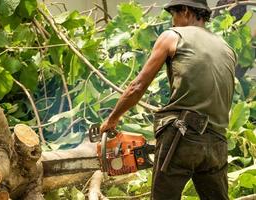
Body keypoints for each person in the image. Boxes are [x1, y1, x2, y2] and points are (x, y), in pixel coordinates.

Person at [100, 0, 237, 199]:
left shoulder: (172, 36)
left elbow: (137, 87)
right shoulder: (226, 47)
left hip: (183, 135)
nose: (172, 23)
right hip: (217, 142)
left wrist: (112, 119)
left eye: (174, 16)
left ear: (186, 11)